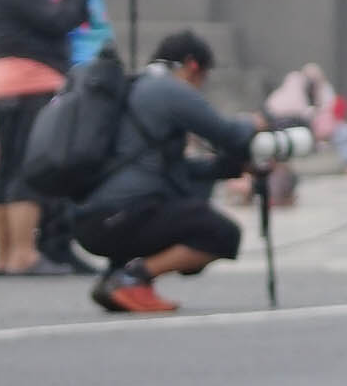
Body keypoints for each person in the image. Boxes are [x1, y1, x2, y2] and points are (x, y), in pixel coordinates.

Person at [73, 31, 268, 313]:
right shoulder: (168, 89)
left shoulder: (134, 86)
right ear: (192, 65)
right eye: (203, 78)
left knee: (166, 204)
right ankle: (132, 278)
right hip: (122, 214)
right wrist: (256, 124)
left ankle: (114, 279)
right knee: (222, 232)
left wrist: (231, 168)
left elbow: (173, 171)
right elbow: (228, 135)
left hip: (92, 219)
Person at [0, 0, 97, 277]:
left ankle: (3, 255)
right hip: (28, 82)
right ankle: (23, 254)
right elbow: (56, 20)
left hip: (4, 83)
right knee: (25, 171)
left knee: (5, 171)